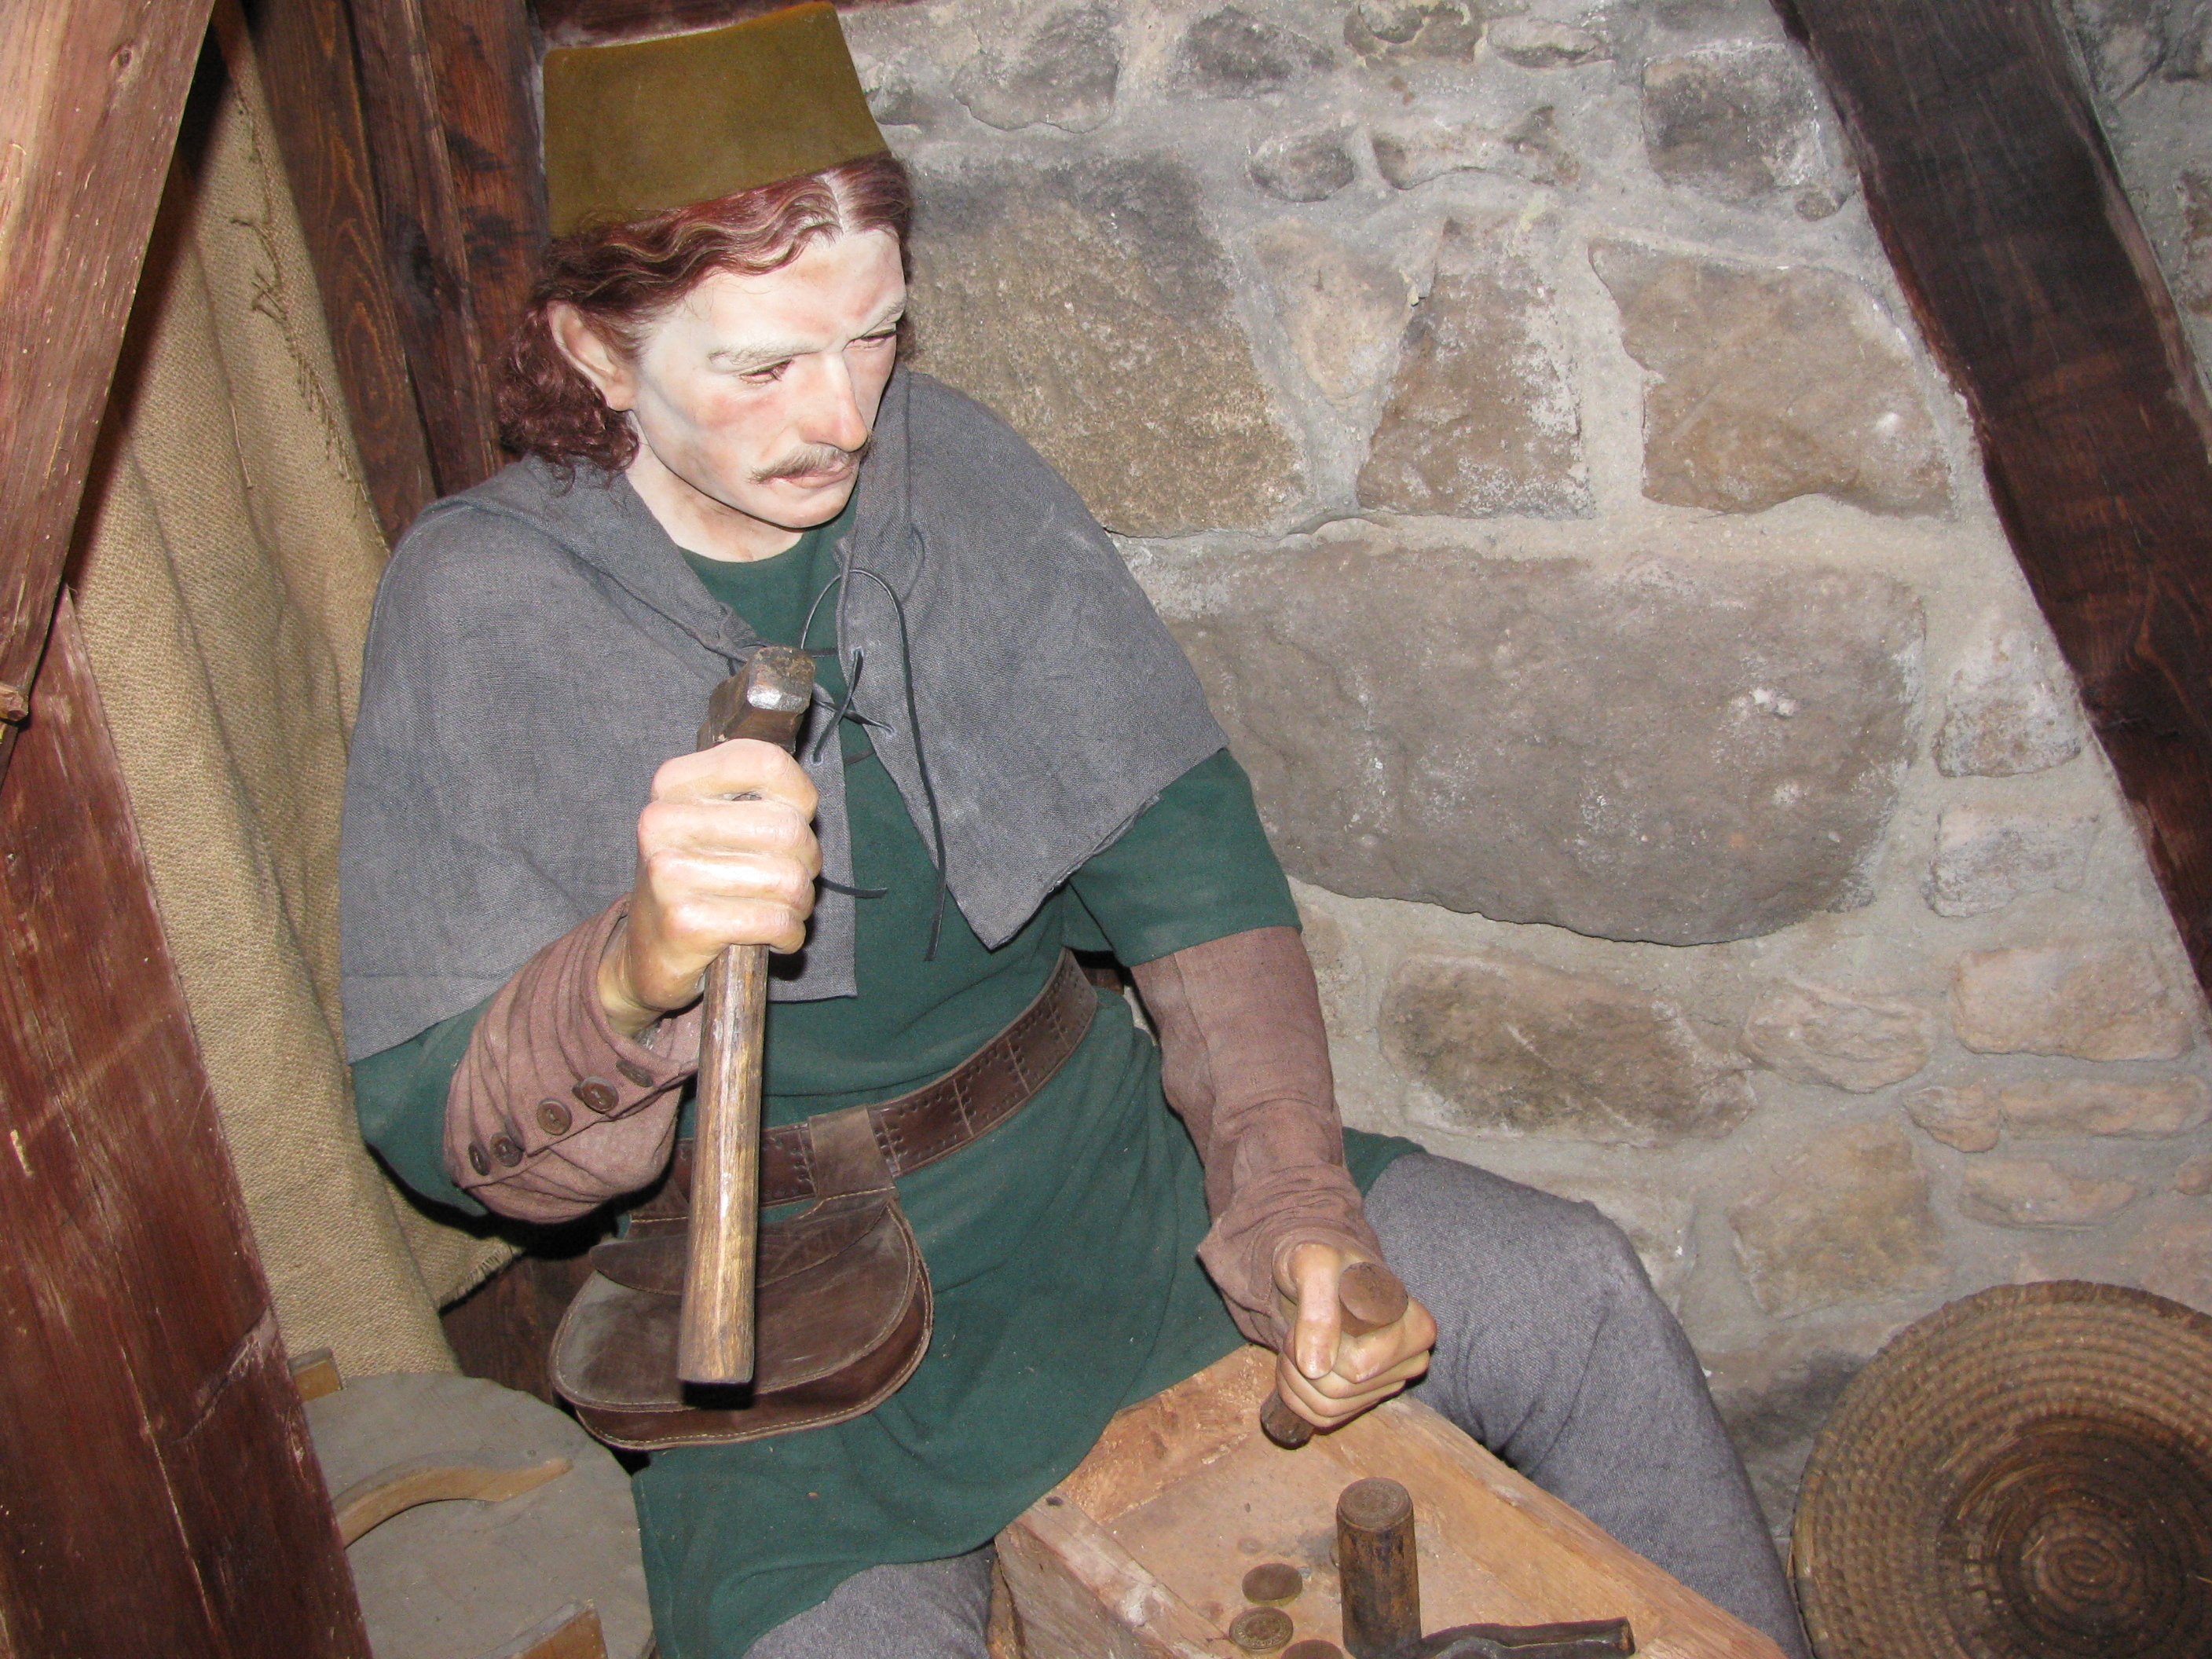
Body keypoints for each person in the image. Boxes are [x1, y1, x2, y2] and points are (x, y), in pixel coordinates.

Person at [339, 9, 1809, 1657]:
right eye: (761, 368)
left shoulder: (952, 471)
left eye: (875, 334)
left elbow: (1188, 864)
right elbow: (433, 1121)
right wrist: (629, 975)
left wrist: (1292, 1207)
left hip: (1111, 1178)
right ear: (596, 352)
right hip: (786, 1327)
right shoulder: (480, 604)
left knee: (1575, 1294)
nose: (843, 415)